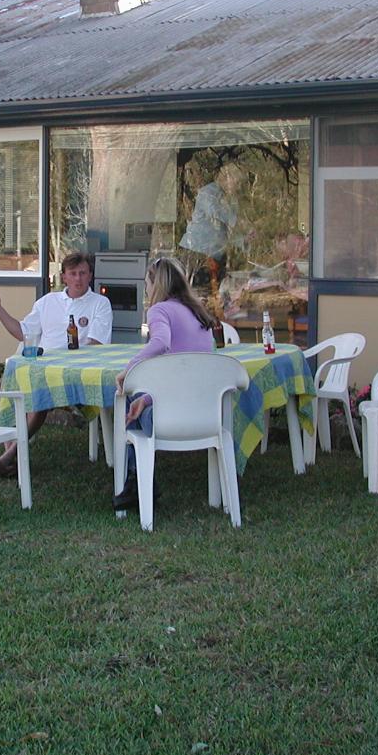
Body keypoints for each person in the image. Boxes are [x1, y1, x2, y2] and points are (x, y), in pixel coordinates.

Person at [0, 251, 112, 476]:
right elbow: (22, 332)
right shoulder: (47, 302)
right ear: (64, 277)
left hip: (75, 374)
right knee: (0, 388)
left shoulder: (100, 303)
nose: (78, 279)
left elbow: (95, 346)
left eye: (83, 273)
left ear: (90, 275)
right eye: (73, 274)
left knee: (40, 395)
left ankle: (10, 456)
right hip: (39, 367)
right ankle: (13, 454)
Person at [111, 256, 219, 510]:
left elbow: (160, 342)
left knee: (123, 398)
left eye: (147, 283)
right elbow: (185, 376)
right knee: (138, 401)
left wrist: (129, 369)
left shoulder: (159, 310)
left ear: (156, 284)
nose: (146, 289)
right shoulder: (198, 312)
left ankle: (136, 481)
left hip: (168, 419)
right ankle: (138, 482)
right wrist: (146, 399)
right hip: (206, 415)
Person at [178, 163, 241, 312]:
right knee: (197, 296)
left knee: (215, 295)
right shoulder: (209, 193)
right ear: (227, 177)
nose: (238, 186)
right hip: (197, 251)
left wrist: (242, 238)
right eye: (237, 182)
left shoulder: (228, 197)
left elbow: (228, 230)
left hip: (214, 252)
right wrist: (240, 224)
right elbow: (222, 216)